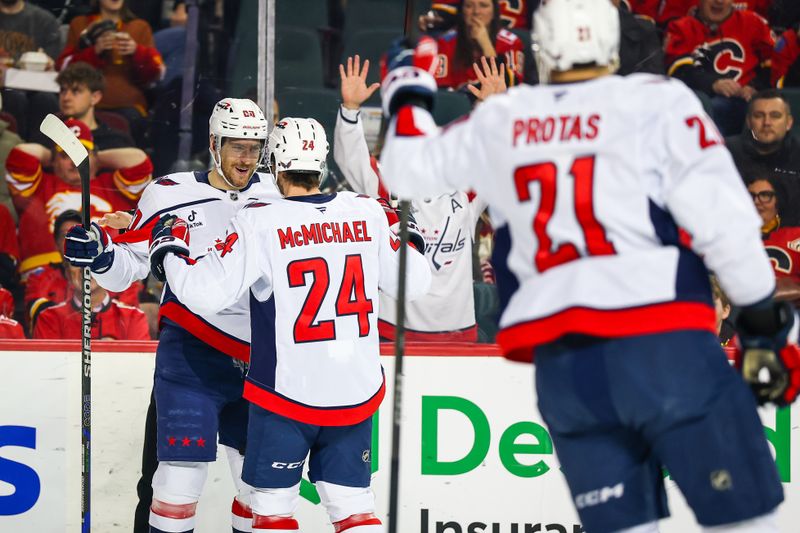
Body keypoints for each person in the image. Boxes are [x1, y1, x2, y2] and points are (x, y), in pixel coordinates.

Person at [378, 1, 800, 532]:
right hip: (663, 343)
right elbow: (726, 226)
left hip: (568, 367)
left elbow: (406, 172)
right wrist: (763, 328)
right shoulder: (658, 102)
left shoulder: (507, 118)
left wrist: (408, 85)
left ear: (542, 49)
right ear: (612, 43)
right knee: (744, 517)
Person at [148, 116, 431, 533]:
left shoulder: (260, 219)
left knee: (272, 510)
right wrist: (408, 238)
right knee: (354, 507)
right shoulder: (365, 211)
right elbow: (415, 282)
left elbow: (205, 294)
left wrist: (170, 248)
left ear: (275, 163)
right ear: (322, 162)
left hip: (286, 394)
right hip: (355, 390)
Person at [63, 97, 279, 533]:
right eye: (238, 146)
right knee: (172, 487)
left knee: (261, 496)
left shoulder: (274, 196)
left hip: (261, 364)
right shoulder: (169, 191)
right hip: (191, 356)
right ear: (214, 142)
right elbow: (131, 266)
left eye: (255, 147)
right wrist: (101, 254)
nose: (247, 158)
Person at [335, 54, 490, 342]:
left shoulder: (466, 188)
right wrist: (350, 109)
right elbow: (351, 158)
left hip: (457, 335)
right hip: (394, 334)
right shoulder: (390, 184)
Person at [5, 118, 152, 274]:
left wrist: (97, 159)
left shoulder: (112, 184)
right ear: (54, 160)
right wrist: (53, 157)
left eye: (82, 153)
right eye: (65, 155)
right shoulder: (39, 184)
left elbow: (139, 162)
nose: (74, 161)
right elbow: (21, 154)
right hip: (45, 277)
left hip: (107, 273)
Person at [57, 0, 165, 144]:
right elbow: (63, 68)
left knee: (132, 119)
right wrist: (94, 52)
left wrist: (137, 52)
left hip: (128, 105)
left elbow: (157, 74)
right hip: (83, 102)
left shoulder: (140, 27)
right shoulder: (80, 24)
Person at [664, 0, 774, 136]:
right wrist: (713, 83)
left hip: (748, 102)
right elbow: (679, 70)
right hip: (705, 105)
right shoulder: (681, 27)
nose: (719, 1)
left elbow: (772, 64)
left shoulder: (753, 22)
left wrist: (755, 86)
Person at [26, 209, 142, 330]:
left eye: (79, 234)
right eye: (66, 235)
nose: (73, 240)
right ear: (56, 243)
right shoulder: (40, 278)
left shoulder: (117, 270)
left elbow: (129, 316)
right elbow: (41, 318)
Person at [725, 90, 800, 224]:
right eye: (759, 116)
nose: (767, 122)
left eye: (775, 116)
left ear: (789, 123)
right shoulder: (726, 152)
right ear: (748, 122)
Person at [33, 261, 149, 339]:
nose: (86, 269)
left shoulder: (133, 317)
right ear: (67, 273)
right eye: (77, 262)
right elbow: (50, 371)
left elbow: (138, 369)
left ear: (108, 271)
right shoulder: (49, 318)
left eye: (93, 261)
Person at [0, 0, 62, 140]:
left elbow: (53, 63)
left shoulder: (44, 20)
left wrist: (48, 63)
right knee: (15, 97)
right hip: (5, 89)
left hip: (35, 86)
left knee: (45, 100)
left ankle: (41, 154)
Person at [434, 0, 525, 89]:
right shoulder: (445, 41)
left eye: (484, 5)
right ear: (462, 11)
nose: (476, 12)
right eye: (469, 6)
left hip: (497, 102)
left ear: (494, 12)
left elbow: (512, 86)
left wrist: (486, 44)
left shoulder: (511, 42)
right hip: (459, 101)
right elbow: (443, 89)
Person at [52, 61, 136, 150]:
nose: (66, 98)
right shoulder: (49, 135)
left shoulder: (115, 141)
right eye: (63, 90)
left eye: (76, 91)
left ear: (95, 97)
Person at [746, 176, 800, 304]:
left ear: (778, 201)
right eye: (751, 196)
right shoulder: (728, 238)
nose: (757, 202)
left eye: (765, 195)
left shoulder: (795, 236)